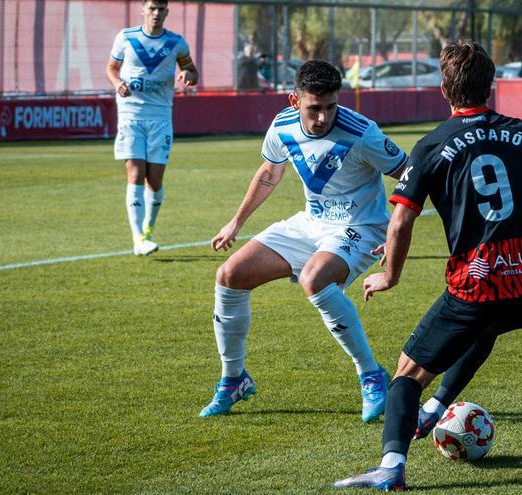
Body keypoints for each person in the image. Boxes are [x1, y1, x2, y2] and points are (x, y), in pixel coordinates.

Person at [334, 41, 522, 491]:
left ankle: (391, 467)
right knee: (486, 327)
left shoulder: (432, 145)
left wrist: (390, 275)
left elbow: (401, 220)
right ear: (490, 87)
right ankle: (436, 409)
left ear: (444, 89)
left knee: (407, 373)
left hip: (478, 285)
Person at [199, 60, 408, 421]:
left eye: (331, 106)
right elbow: (268, 174)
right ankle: (234, 379)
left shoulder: (362, 132)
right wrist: (236, 222)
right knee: (230, 275)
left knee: (315, 279)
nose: (324, 117)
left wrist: (396, 234)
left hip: (361, 226)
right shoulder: (282, 126)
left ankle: (371, 375)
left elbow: (409, 174)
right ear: (294, 100)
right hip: (310, 223)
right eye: (315, 108)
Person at [106, 0, 198, 256]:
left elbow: (191, 69)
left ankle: (147, 229)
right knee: (135, 173)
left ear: (167, 12)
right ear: (143, 10)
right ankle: (138, 239)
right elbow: (112, 68)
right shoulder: (126, 37)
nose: (156, 13)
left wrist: (189, 75)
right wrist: (118, 84)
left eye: (161, 9)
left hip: (160, 117)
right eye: (152, 8)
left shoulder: (176, 42)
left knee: (154, 179)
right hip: (131, 115)